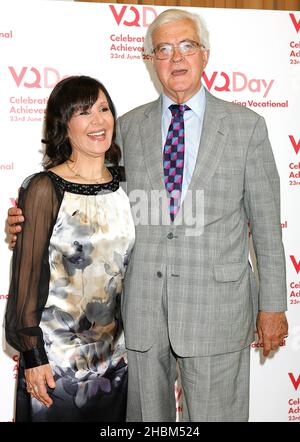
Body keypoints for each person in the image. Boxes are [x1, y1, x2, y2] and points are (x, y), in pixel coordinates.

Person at [7, 9, 288, 422]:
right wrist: (28, 222)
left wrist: (273, 307)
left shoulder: (247, 128)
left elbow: (266, 227)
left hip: (217, 312)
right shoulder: (126, 128)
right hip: (138, 319)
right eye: (164, 49)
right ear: (151, 60)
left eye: (187, 46)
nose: (176, 58)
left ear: (205, 55)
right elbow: (87, 195)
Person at [5, 75, 135, 422]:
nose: (98, 120)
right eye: (84, 112)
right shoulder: (44, 188)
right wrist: (33, 359)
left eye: (104, 109)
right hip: (56, 365)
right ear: (64, 125)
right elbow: (26, 281)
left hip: (117, 364)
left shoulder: (128, 184)